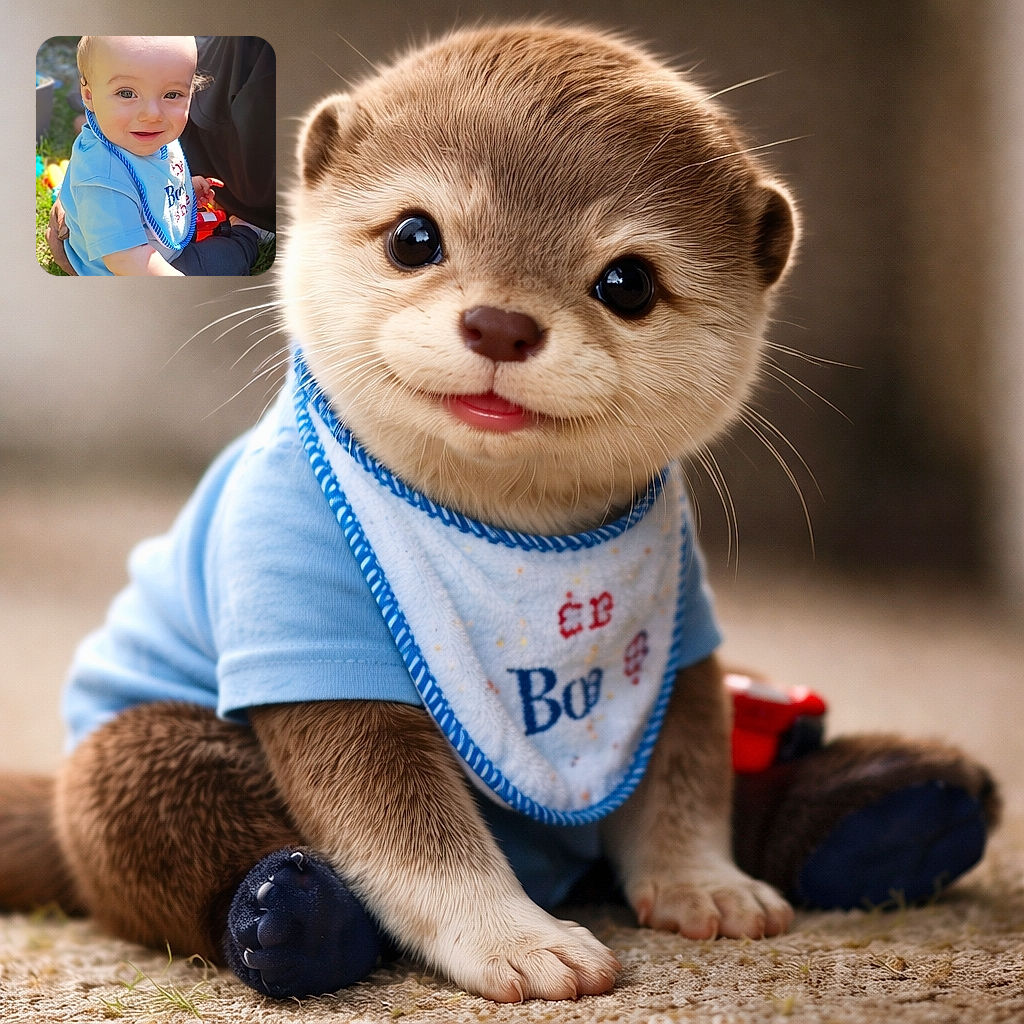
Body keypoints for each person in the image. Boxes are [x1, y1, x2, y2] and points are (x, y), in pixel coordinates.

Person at [56, 36, 260, 276]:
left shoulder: (139, 136)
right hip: (130, 273)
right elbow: (126, 260)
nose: (152, 114)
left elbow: (147, 182)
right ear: (89, 96)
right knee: (223, 261)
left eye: (172, 95)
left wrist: (184, 189)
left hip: (149, 249)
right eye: (126, 93)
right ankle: (245, 235)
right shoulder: (102, 178)